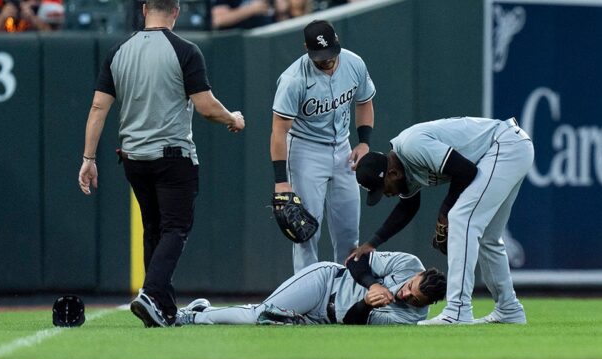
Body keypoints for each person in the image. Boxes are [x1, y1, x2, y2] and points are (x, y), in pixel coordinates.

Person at [78, 0, 245, 328]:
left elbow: (99, 107)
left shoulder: (118, 50)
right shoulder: (184, 50)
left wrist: (88, 158)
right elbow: (206, 106)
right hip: (172, 157)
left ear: (144, 9)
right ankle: (152, 293)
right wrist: (232, 118)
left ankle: (164, 311)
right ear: (176, 11)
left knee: (153, 228)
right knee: (175, 228)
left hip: (133, 159)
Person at [350, 117, 534, 325]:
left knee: (460, 219)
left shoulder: (412, 146)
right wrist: (372, 243)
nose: (386, 194)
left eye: (383, 188)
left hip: (504, 145)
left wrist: (444, 214)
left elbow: (465, 171)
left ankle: (458, 309)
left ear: (392, 173)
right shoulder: (403, 167)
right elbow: (408, 207)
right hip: (508, 148)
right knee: (488, 237)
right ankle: (508, 309)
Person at [271, 19, 375, 273]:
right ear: (306, 48)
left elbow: (364, 102)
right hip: (305, 151)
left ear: (337, 40)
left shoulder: (354, 63)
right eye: (320, 56)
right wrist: (280, 181)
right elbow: (279, 131)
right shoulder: (293, 79)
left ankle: (344, 298)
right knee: (305, 233)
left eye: (330, 53)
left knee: (349, 233)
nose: (327, 60)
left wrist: (364, 142)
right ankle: (308, 302)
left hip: (343, 148)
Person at [175, 251, 446, 326]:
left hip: (324, 319)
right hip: (325, 283)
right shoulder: (409, 264)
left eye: (414, 299)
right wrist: (373, 285)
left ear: (425, 305)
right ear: (418, 274)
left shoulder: (409, 317)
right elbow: (358, 259)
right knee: (259, 314)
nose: (406, 294)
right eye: (411, 286)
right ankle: (194, 315)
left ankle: (202, 312)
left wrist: (366, 303)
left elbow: (353, 322)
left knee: (263, 322)